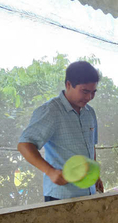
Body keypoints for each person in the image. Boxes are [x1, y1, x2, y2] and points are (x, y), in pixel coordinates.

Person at [17, 61, 104, 202]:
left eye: (93, 92)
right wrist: (50, 172)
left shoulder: (90, 112)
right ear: (68, 85)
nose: (89, 97)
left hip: (88, 193)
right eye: (85, 91)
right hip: (61, 195)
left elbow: (90, 145)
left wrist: (95, 176)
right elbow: (24, 145)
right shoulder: (51, 111)